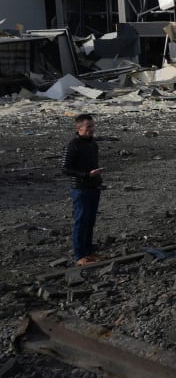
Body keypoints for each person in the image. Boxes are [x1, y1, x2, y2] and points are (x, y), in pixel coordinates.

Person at [62, 113, 105, 266]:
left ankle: (89, 252)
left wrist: (97, 178)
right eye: (88, 127)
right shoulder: (73, 145)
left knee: (90, 221)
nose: (92, 129)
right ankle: (79, 255)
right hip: (80, 188)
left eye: (93, 126)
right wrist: (86, 175)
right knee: (81, 221)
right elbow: (65, 168)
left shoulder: (93, 144)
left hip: (93, 187)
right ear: (79, 128)